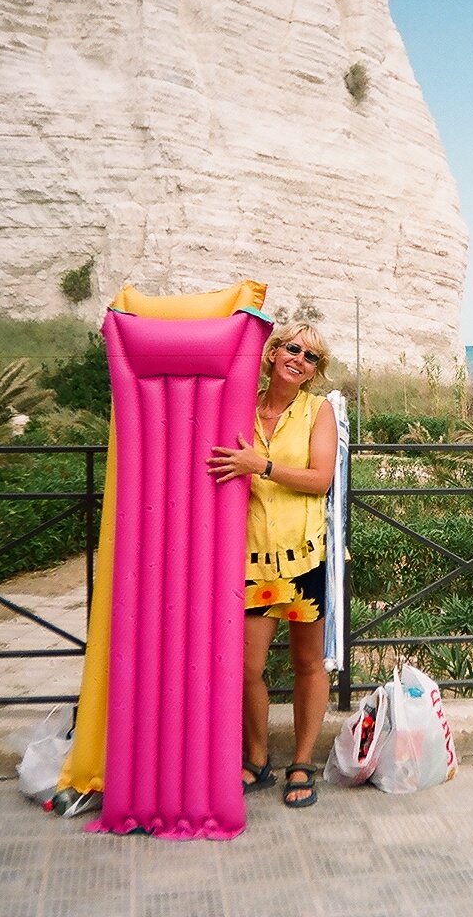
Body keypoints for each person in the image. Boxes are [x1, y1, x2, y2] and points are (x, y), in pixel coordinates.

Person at [207, 322, 337, 808]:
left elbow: (320, 479)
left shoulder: (317, 411)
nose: (299, 358)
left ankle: (301, 763)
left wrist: (259, 466)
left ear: (314, 371)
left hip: (303, 557)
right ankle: (257, 759)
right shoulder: (240, 404)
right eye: (292, 348)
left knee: (307, 663)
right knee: (246, 667)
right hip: (250, 559)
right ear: (273, 352)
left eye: (311, 356)